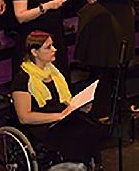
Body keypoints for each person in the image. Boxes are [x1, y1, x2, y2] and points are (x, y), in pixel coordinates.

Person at [12, 30, 107, 165]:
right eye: (48, 47)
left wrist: (78, 107)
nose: (54, 49)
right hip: (42, 125)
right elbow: (24, 117)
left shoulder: (54, 72)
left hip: (61, 118)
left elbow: (64, 100)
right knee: (77, 134)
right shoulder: (23, 79)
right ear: (34, 52)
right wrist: (58, 116)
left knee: (90, 127)